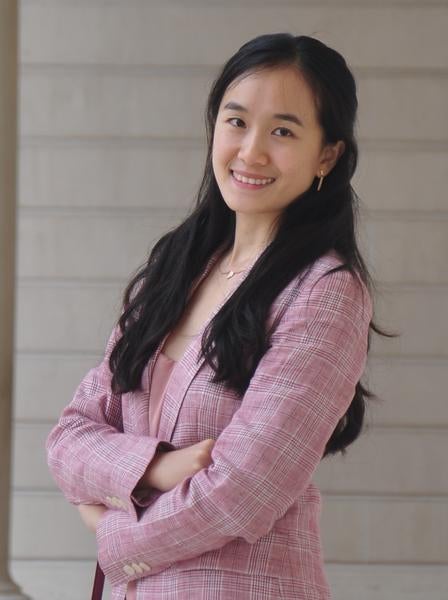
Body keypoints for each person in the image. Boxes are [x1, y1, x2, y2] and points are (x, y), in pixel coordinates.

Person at [46, 32, 391, 600]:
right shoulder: (177, 269)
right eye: (236, 122)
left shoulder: (326, 292)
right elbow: (70, 435)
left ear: (327, 154)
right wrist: (155, 468)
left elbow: (243, 493)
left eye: (282, 131)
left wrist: (112, 533)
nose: (251, 151)